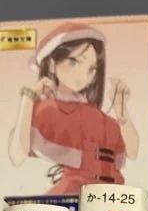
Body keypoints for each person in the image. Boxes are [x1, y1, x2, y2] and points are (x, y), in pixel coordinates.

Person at [9, 22, 138, 196]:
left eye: (92, 69)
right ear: (52, 64)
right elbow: (17, 156)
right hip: (72, 195)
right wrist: (27, 98)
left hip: (111, 197)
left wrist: (121, 109)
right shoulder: (47, 110)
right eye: (74, 61)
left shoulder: (101, 118)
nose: (84, 75)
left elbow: (133, 151)